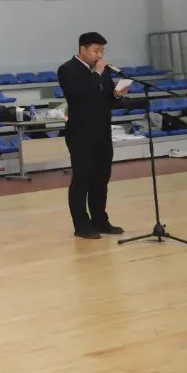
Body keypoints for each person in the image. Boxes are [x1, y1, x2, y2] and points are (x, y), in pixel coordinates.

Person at [58, 32, 129, 239]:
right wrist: (97, 73)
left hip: (102, 132)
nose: (100, 55)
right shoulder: (67, 70)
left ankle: (100, 220)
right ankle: (81, 225)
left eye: (102, 51)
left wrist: (117, 95)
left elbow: (105, 100)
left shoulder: (103, 72)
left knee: (101, 179)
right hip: (81, 134)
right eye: (96, 50)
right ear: (83, 49)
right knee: (82, 179)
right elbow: (81, 95)